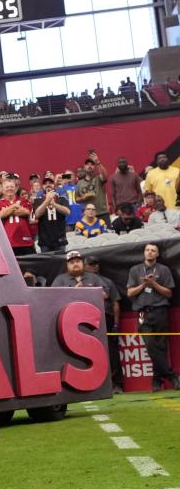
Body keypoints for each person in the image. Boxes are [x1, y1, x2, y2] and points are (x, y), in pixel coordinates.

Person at [126, 243, 179, 391]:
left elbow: (169, 293)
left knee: (161, 347)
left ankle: (156, 381)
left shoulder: (164, 270)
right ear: (144, 253)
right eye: (147, 250)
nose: (150, 253)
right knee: (150, 345)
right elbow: (130, 293)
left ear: (157, 254)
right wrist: (143, 285)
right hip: (143, 313)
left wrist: (153, 284)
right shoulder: (135, 270)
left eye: (153, 251)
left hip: (161, 311)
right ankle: (172, 376)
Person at [84, 256, 123, 393]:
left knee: (112, 353)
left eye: (94, 264)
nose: (91, 267)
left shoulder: (107, 282)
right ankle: (93, 385)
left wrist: (116, 323)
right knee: (90, 352)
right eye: (89, 264)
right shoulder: (81, 281)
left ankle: (116, 384)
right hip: (87, 319)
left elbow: (115, 303)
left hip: (106, 318)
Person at [0, 179, 35, 256]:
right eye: (7, 187)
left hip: (25, 241)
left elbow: (26, 212)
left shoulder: (24, 201)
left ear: (16, 189)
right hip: (8, 241)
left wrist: (7, 210)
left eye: (11, 187)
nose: (9, 188)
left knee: (29, 267)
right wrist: (15, 206)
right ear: (3, 190)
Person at [33, 176, 70, 252]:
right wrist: (47, 201)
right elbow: (37, 215)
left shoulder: (61, 198)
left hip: (60, 239)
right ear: (42, 186)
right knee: (46, 264)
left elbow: (67, 212)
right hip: (45, 240)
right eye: (45, 183)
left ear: (54, 185)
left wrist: (55, 204)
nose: (48, 185)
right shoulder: (38, 200)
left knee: (61, 263)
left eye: (50, 183)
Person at [76, 152, 110, 225]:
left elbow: (105, 175)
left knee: (107, 235)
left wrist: (98, 162)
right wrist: (83, 197)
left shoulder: (99, 178)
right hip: (88, 216)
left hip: (102, 213)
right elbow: (76, 199)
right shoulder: (79, 183)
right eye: (87, 164)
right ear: (84, 166)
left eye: (92, 164)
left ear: (94, 167)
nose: (89, 166)